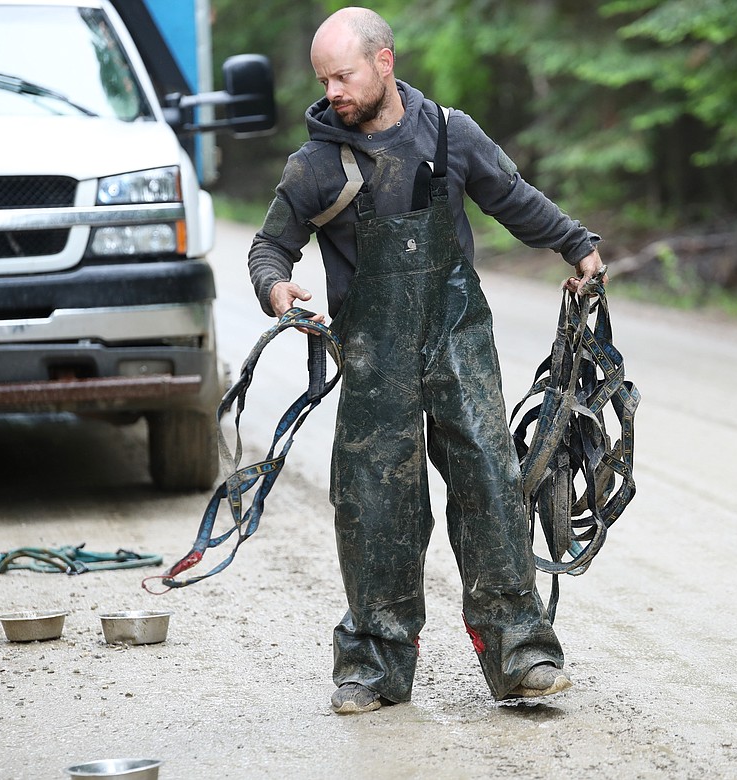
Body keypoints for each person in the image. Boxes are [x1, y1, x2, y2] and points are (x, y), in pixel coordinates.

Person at [247, 6, 604, 714]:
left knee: (492, 486)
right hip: (375, 356)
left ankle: (521, 653)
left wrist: (577, 246)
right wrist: (276, 288)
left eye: (343, 75)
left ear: (384, 62)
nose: (333, 92)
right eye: (323, 79)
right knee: (376, 504)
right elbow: (269, 248)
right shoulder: (317, 164)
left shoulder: (450, 133)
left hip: (457, 339)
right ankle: (374, 666)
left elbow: (514, 198)